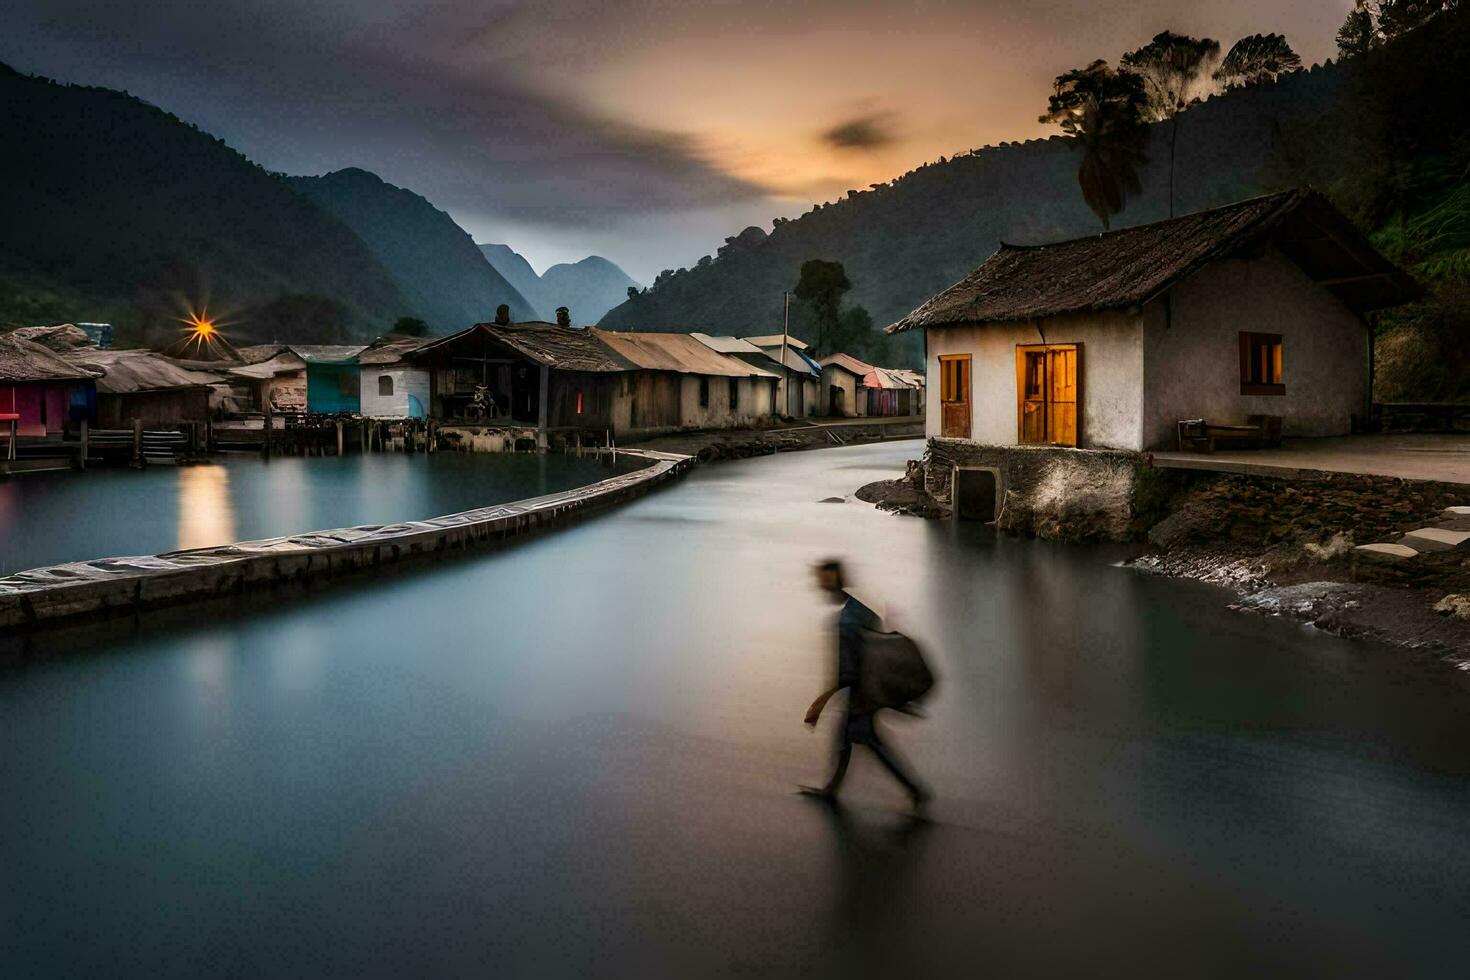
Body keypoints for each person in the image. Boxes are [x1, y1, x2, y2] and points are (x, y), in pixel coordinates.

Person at [804, 559, 929, 811]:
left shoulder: (846, 622)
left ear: (833, 582)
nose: (819, 586)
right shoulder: (859, 607)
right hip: (870, 685)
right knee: (847, 737)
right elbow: (876, 627)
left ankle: (915, 790)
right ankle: (832, 789)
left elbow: (846, 672)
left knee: (867, 740)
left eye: (822, 581)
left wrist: (819, 703)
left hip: (863, 692)